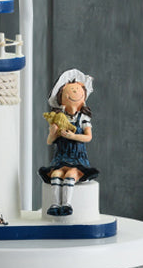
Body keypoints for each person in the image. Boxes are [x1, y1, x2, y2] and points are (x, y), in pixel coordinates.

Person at [38, 68, 99, 217]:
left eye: (77, 89)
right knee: (56, 174)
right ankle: (55, 204)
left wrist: (73, 136)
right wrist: (53, 133)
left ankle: (66, 204)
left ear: (83, 97)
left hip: (77, 157)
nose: (75, 91)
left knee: (71, 174)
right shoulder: (59, 118)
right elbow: (49, 141)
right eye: (71, 90)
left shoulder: (83, 118)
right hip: (61, 157)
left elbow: (88, 137)